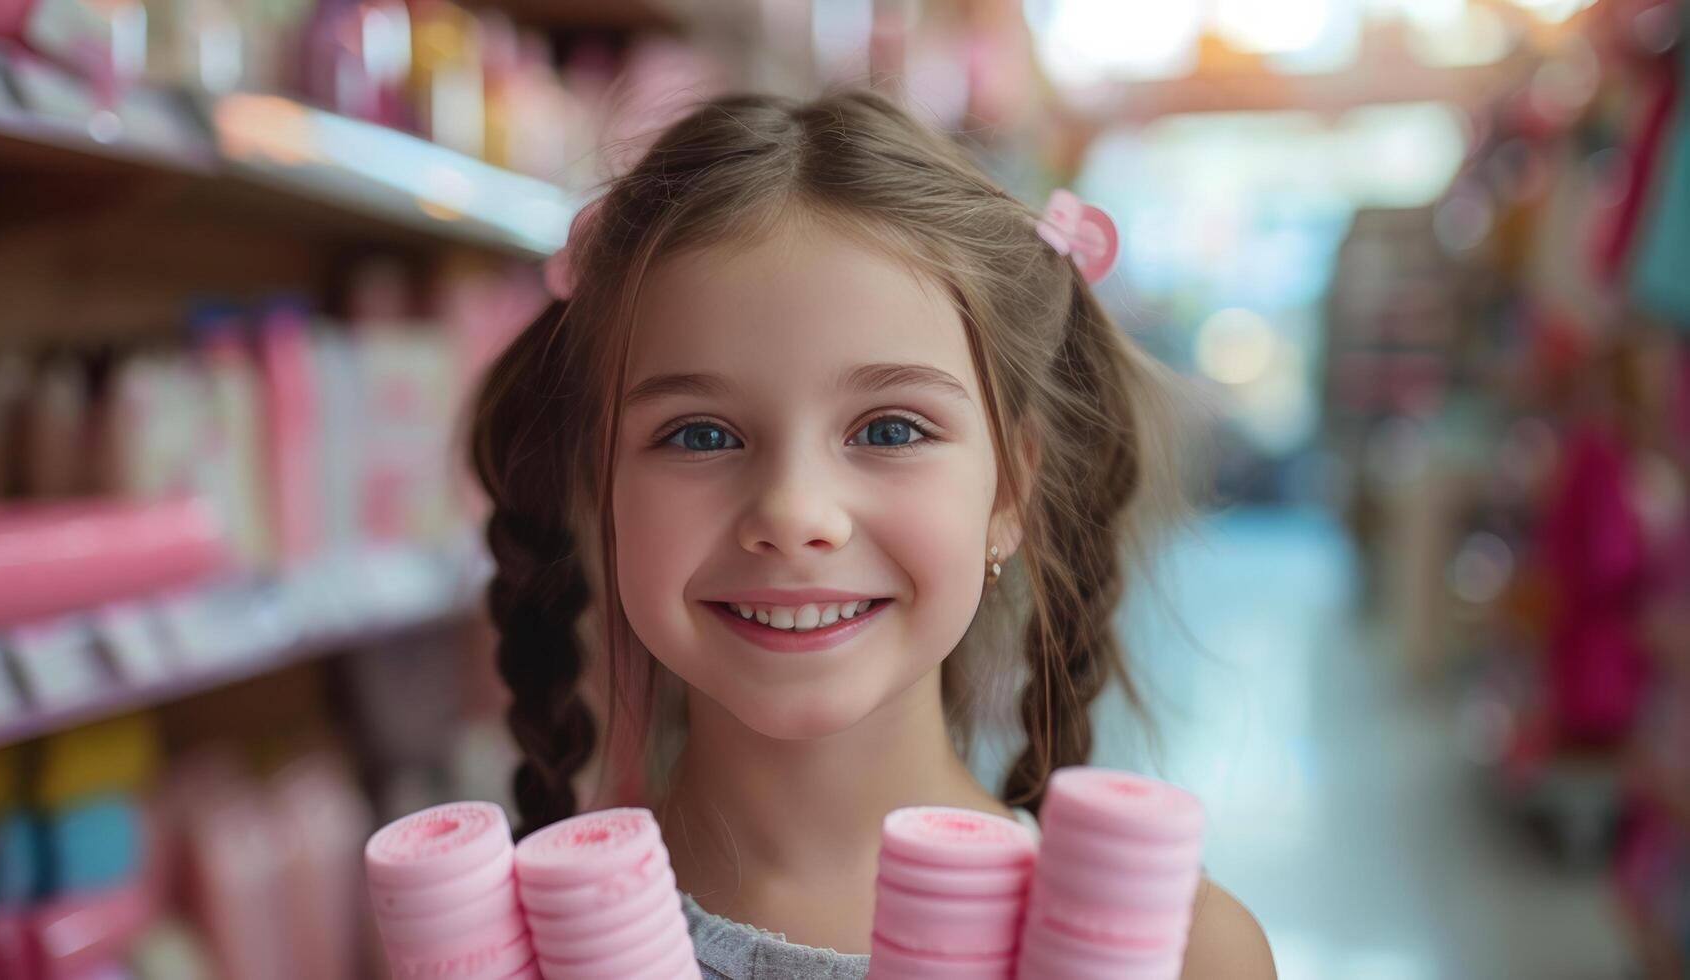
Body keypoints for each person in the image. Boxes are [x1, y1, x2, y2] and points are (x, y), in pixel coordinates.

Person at [470, 86, 1276, 979]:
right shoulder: (499, 952)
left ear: (1009, 487)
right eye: (700, 434)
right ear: (599, 482)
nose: (793, 515)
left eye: (890, 430)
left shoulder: (1183, 955)